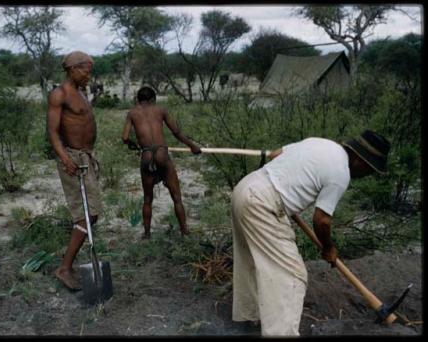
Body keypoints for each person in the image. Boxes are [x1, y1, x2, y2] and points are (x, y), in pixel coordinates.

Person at [230, 130, 391, 336]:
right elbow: (322, 220)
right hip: (261, 202)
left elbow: (275, 155)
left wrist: (288, 187)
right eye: (370, 169)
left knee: (250, 259)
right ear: (360, 160)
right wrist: (328, 247)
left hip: (245, 188)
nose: (367, 174)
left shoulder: (322, 144)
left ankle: (248, 317)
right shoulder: (340, 173)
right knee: (293, 275)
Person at [47, 51, 102, 290]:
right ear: (72, 69)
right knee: (86, 215)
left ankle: (66, 266)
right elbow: (52, 132)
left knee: (91, 214)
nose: (88, 76)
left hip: (85, 158)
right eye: (85, 71)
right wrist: (65, 157)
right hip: (72, 159)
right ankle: (64, 268)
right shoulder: (59, 94)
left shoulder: (81, 92)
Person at [122, 86, 202, 239]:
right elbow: (176, 132)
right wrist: (192, 146)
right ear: (153, 99)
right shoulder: (161, 110)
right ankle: (185, 232)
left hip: (146, 155)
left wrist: (135, 146)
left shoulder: (132, 113)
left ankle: (146, 234)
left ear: (138, 100)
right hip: (161, 153)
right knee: (176, 197)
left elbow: (125, 138)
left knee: (147, 199)